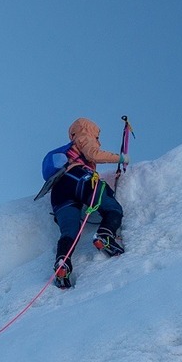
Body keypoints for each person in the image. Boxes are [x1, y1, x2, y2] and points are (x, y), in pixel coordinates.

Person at [40, 116, 126, 289]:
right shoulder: (84, 136)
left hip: (59, 192)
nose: (97, 139)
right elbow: (93, 154)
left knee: (69, 231)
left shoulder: (68, 150)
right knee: (112, 207)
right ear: (91, 129)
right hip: (79, 178)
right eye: (97, 135)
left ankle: (62, 263)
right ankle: (105, 234)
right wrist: (121, 159)